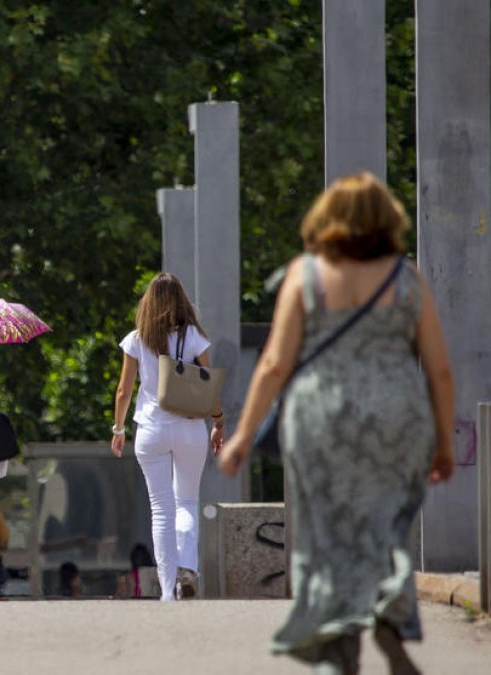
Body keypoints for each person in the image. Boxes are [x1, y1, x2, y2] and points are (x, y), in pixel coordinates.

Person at [218, 173, 455, 675]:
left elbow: (275, 365)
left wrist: (242, 435)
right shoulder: (406, 277)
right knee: (387, 522)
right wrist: (442, 442)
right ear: (388, 219)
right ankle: (390, 610)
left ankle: (338, 637)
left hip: (321, 417)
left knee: (327, 531)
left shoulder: (305, 275)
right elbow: (438, 367)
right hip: (397, 417)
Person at [110, 273, 224, 602]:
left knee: (161, 508)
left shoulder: (136, 339)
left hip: (150, 429)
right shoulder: (194, 338)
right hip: (189, 428)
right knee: (187, 501)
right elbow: (209, 385)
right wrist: (218, 422)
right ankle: (187, 568)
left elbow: (123, 391)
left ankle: (166, 591)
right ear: (181, 301)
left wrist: (118, 429)